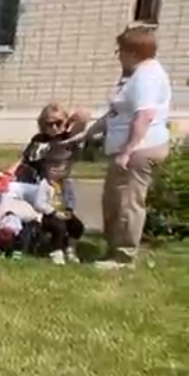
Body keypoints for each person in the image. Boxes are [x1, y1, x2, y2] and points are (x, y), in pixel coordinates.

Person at [66, 27, 172, 270]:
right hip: (133, 148)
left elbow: (144, 116)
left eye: (120, 50)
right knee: (113, 200)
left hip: (139, 150)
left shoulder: (147, 77)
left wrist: (127, 151)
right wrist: (90, 132)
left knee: (127, 202)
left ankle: (123, 257)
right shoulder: (138, 75)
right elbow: (117, 112)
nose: (118, 56)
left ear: (133, 51)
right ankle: (114, 250)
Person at [16, 103, 89, 185]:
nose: (54, 128)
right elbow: (27, 160)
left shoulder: (70, 137)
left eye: (58, 123)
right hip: (40, 181)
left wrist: (70, 122)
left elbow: (84, 114)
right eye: (49, 124)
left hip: (63, 180)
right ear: (43, 124)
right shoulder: (40, 139)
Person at [30, 158, 84, 265]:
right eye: (54, 170)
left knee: (77, 225)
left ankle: (70, 249)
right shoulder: (44, 184)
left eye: (61, 171)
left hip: (63, 211)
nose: (57, 173)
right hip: (48, 214)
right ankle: (56, 251)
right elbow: (39, 203)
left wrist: (69, 209)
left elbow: (71, 198)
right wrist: (53, 212)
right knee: (59, 226)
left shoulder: (66, 184)